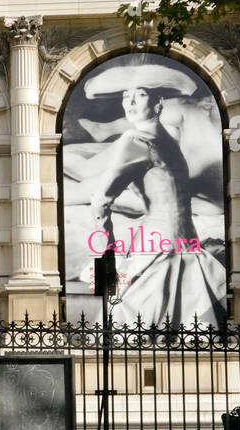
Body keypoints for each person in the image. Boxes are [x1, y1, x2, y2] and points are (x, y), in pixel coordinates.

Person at [76, 58, 226, 328]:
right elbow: (104, 199)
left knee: (150, 329)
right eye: (126, 96)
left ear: (158, 104)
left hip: (168, 248)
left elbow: (104, 200)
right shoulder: (152, 141)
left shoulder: (147, 140)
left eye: (140, 95)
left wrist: (107, 254)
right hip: (173, 247)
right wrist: (109, 257)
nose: (130, 103)